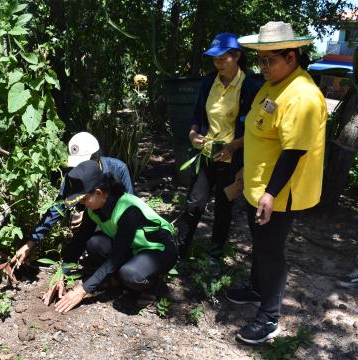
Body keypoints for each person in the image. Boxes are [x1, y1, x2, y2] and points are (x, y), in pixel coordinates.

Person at [225, 21, 327, 344]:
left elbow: (292, 152)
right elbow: (260, 130)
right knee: (260, 244)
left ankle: (269, 318)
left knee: (270, 250)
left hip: (280, 193)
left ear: (292, 57)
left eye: (270, 60)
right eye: (260, 60)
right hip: (257, 186)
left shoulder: (302, 94)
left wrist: (270, 193)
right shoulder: (273, 85)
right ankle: (257, 288)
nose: (263, 66)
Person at [42, 160, 177, 313]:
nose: (82, 204)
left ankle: (154, 285)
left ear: (98, 192)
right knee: (94, 243)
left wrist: (82, 290)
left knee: (129, 274)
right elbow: (80, 241)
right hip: (133, 248)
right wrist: (61, 275)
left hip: (159, 250)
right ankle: (120, 278)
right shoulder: (94, 209)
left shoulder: (128, 210)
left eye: (84, 199)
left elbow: (116, 257)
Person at [176, 32, 260, 259]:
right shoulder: (208, 83)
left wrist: (234, 146)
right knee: (194, 204)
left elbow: (257, 129)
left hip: (231, 160)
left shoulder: (250, 87)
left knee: (224, 209)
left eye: (223, 58)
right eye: (215, 59)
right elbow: (197, 116)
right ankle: (179, 252)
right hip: (205, 155)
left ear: (237, 56)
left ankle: (214, 256)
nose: (218, 63)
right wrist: (193, 134)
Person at [11, 132, 134, 267]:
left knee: (98, 243)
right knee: (82, 234)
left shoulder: (118, 169)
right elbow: (57, 208)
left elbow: (128, 207)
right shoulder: (75, 176)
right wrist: (31, 243)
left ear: (96, 157)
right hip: (90, 219)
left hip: (112, 221)